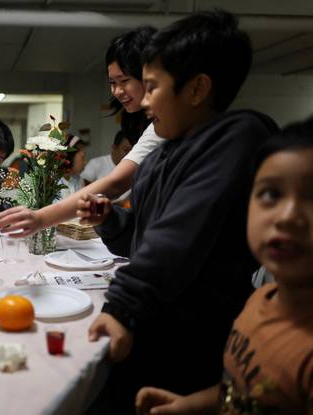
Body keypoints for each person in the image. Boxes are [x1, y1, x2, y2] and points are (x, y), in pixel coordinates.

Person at [80, 11, 279, 412]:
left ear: (197, 89)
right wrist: (110, 220)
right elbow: (143, 233)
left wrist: (122, 303)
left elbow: (178, 237)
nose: (144, 100)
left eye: (152, 87)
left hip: (196, 334)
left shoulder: (236, 137)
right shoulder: (161, 155)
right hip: (157, 322)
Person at [136, 118, 313, 414]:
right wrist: (189, 404)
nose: (286, 216)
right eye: (271, 194)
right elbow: (247, 388)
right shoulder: (258, 300)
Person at [0, 26, 164, 236]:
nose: (118, 91)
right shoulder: (145, 123)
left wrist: (40, 218)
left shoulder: (164, 126)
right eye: (112, 83)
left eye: (125, 81)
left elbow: (116, 183)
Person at [59, 135, 88, 199]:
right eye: (83, 157)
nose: (85, 162)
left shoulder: (79, 180)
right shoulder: (52, 184)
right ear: (69, 156)